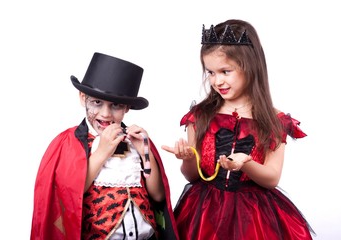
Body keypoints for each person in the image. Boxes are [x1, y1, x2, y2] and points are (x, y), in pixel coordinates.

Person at [162, 19, 315, 240]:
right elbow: (193, 176)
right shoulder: (201, 115)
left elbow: (272, 178)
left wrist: (247, 163)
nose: (217, 81)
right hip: (204, 213)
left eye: (225, 71)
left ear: (249, 66)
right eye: (211, 73)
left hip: (254, 217)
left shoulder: (273, 120)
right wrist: (187, 159)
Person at [31, 52, 179, 240]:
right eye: (97, 102)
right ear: (83, 98)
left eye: (116, 105)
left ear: (127, 108)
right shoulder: (69, 143)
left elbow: (158, 197)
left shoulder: (134, 141)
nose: (106, 114)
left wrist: (145, 154)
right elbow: (67, 196)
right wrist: (101, 152)